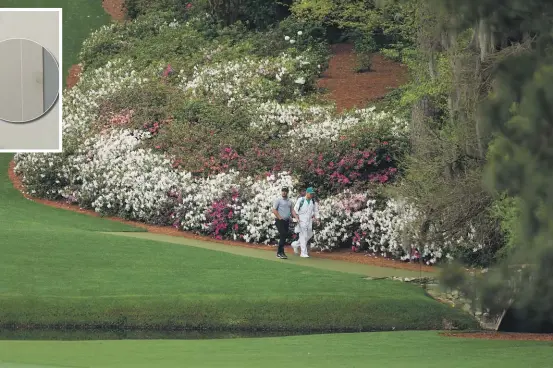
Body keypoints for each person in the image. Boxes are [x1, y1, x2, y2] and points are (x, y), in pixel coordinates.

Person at [291, 187, 319, 258]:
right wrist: (297, 218)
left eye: (312, 194)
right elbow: (295, 210)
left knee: (309, 234)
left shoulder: (313, 201)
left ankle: (295, 244)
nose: (312, 195)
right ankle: (303, 253)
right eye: (311, 193)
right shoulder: (301, 200)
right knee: (303, 236)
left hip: (309, 221)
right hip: (301, 220)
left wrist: (317, 219)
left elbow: (316, 211)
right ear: (307, 193)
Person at [272, 187, 295, 259]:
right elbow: (274, 210)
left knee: (284, 236)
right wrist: (279, 217)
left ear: (287, 192)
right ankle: (279, 253)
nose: (284, 192)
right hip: (279, 220)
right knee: (283, 234)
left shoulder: (290, 201)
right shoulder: (278, 200)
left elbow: (292, 211)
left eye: (285, 191)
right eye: (283, 191)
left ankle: (281, 252)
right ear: (281, 192)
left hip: (287, 221)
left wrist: (296, 218)